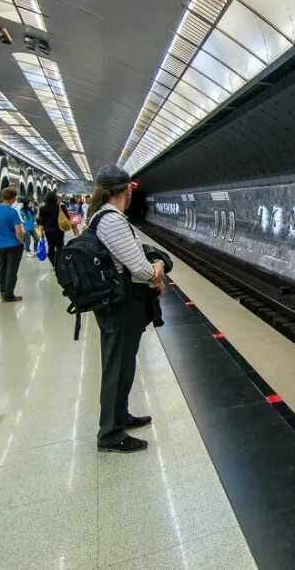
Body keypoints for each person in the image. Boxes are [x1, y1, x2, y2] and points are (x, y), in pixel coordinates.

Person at [89, 165, 166, 453]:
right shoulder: (112, 221)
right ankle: (110, 433)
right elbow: (142, 269)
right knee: (117, 366)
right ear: (126, 190)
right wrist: (157, 267)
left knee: (121, 363)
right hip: (121, 306)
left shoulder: (102, 218)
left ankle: (120, 416)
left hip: (115, 305)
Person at [0, 187, 25, 303]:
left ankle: (3, 291)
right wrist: (21, 241)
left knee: (2, 268)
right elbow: (18, 231)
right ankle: (8, 296)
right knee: (12, 270)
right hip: (13, 244)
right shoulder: (12, 212)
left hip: (0, 244)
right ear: (14, 198)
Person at [38, 191, 66, 269]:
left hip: (48, 230)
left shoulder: (42, 208)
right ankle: (60, 263)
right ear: (55, 198)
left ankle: (54, 265)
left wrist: (41, 233)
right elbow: (67, 217)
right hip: (59, 230)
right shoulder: (60, 207)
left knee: (50, 247)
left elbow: (41, 222)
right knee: (60, 246)